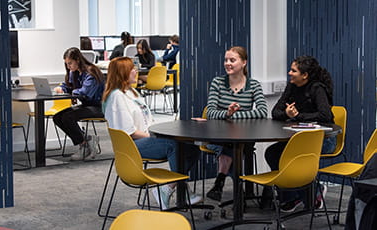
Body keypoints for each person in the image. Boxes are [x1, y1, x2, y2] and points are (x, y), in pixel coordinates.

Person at [102, 57, 202, 210]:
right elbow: (130, 132)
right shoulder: (117, 97)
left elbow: (146, 120)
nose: (136, 71)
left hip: (144, 138)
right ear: (122, 73)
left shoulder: (132, 92)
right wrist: (154, 136)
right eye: (132, 69)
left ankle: (169, 187)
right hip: (131, 145)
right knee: (173, 146)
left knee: (191, 148)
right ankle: (176, 189)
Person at [261, 55, 336, 212]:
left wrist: (298, 116)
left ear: (305, 75)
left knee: (289, 156)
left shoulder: (317, 88)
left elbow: (326, 116)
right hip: (296, 139)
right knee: (272, 153)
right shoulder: (292, 87)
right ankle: (295, 196)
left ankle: (311, 193)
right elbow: (276, 112)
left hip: (323, 140)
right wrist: (287, 114)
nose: (289, 73)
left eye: (293, 70)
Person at [205, 46, 268, 202]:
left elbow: (262, 111)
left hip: (244, 136)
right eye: (226, 60)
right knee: (230, 146)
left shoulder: (253, 85)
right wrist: (226, 113)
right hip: (217, 135)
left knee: (233, 145)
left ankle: (220, 182)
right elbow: (210, 112)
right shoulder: (217, 83)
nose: (228, 63)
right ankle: (237, 193)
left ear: (244, 63)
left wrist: (234, 116)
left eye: (232, 60)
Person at [53, 47, 105, 161]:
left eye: (70, 63)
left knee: (68, 117)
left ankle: (83, 145)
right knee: (57, 117)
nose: (68, 67)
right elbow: (69, 86)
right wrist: (61, 88)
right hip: (87, 106)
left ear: (77, 59)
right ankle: (87, 139)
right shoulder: (75, 73)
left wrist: (71, 91)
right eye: (66, 64)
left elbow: (85, 92)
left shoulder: (91, 72)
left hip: (99, 107)